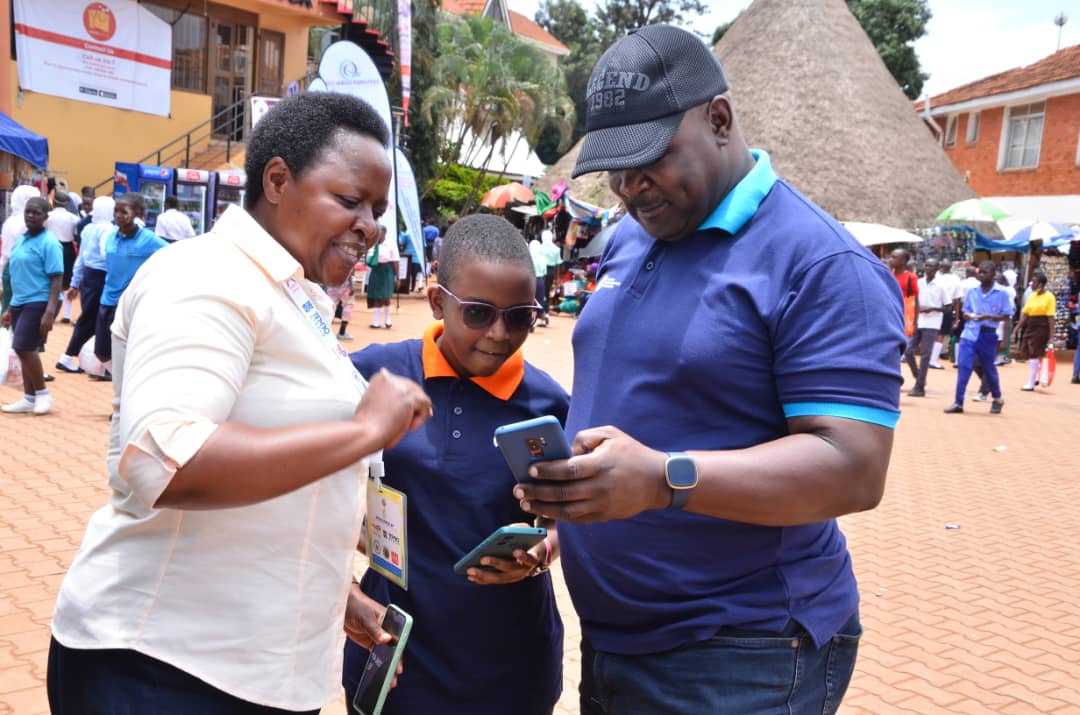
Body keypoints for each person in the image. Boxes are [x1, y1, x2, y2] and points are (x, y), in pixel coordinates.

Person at [511, 25, 904, 715]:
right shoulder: (633, 238)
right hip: (616, 643)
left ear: (718, 119)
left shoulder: (820, 265)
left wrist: (664, 480)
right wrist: (575, 500)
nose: (630, 187)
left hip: (740, 651)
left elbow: (853, 467)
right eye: (616, 169)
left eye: (650, 160)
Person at [46, 91, 432, 714]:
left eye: (378, 209)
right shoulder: (203, 277)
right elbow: (166, 461)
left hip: (265, 671)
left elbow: (284, 485)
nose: (370, 225)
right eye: (350, 200)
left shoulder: (293, 295)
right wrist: (363, 432)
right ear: (277, 180)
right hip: (166, 670)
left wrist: (335, 595)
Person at [342, 214, 567, 715]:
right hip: (397, 657)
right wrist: (345, 577)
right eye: (480, 313)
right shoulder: (370, 375)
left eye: (520, 316)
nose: (500, 333)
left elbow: (576, 516)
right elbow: (306, 482)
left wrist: (545, 549)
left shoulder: (549, 405)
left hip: (512, 667)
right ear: (438, 301)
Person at [90, 192, 168, 381]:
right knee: (101, 352)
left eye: (123, 212)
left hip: (128, 305)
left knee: (125, 352)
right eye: (115, 211)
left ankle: (124, 394)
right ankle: (124, 381)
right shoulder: (111, 237)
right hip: (106, 300)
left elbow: (172, 254)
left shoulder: (147, 239)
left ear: (139, 214)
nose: (118, 215)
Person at [0, 197, 62, 415]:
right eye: (28, 212)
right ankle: (28, 397)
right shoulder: (22, 239)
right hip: (19, 302)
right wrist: (9, 308)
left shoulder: (49, 242)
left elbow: (56, 278)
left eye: (36, 213)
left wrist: (50, 311)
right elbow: (18, 274)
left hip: (39, 301)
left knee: (24, 347)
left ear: (46, 217)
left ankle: (43, 394)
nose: (30, 216)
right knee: (24, 349)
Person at [56, 196, 115, 374]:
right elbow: (108, 254)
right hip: (101, 277)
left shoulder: (89, 228)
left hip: (88, 277)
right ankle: (70, 357)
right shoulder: (108, 230)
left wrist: (75, 282)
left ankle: (85, 359)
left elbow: (81, 258)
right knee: (96, 319)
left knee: (90, 317)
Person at [945, 261, 1012, 414]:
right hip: (970, 333)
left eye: (985, 272)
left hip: (988, 334)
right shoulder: (972, 291)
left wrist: (990, 317)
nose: (981, 275)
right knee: (964, 367)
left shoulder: (1001, 292)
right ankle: (958, 402)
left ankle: (997, 398)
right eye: (979, 271)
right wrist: (967, 315)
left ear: (993, 274)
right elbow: (965, 310)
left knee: (989, 368)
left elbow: (1006, 316)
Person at [903, 257, 945, 397]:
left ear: (937, 268)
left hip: (932, 323)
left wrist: (932, 308)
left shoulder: (941, 285)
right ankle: (919, 377)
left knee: (925, 354)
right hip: (918, 321)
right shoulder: (918, 282)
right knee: (908, 351)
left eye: (931, 266)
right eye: (926, 265)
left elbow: (948, 306)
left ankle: (919, 387)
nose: (928, 268)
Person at [0, 185, 41, 315]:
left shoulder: (9, 221)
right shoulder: (27, 223)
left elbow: (5, 254)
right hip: (24, 269)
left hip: (9, 267)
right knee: (19, 309)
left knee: (8, 305)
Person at [1012, 272, 1056, 391]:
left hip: (1042, 327)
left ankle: (1031, 383)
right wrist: (1015, 330)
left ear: (1041, 284)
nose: (1032, 283)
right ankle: (1038, 371)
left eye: (1034, 281)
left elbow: (1051, 318)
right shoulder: (1032, 296)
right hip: (1030, 326)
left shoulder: (1049, 297)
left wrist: (1051, 336)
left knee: (1034, 353)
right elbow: (1025, 315)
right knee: (1025, 352)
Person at [46, 190, 81, 323]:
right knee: (66, 282)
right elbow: (76, 234)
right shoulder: (73, 218)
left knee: (50, 278)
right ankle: (66, 315)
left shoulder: (47, 216)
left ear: (54, 202)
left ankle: (50, 310)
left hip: (50, 247)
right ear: (67, 203)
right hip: (67, 249)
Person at [930, 258, 962, 368]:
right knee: (941, 335)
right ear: (950, 268)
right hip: (946, 308)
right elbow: (957, 300)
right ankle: (933, 360)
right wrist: (957, 317)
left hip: (931, 307)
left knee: (932, 333)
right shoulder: (956, 279)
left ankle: (930, 358)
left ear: (940, 267)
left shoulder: (934, 276)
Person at [365, 225, 398, 328]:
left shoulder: (391, 244)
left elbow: (395, 261)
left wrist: (397, 277)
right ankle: (376, 322)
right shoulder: (373, 244)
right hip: (376, 270)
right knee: (376, 296)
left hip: (387, 270)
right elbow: (368, 259)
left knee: (386, 296)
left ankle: (388, 320)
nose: (377, 235)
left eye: (379, 233)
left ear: (384, 233)